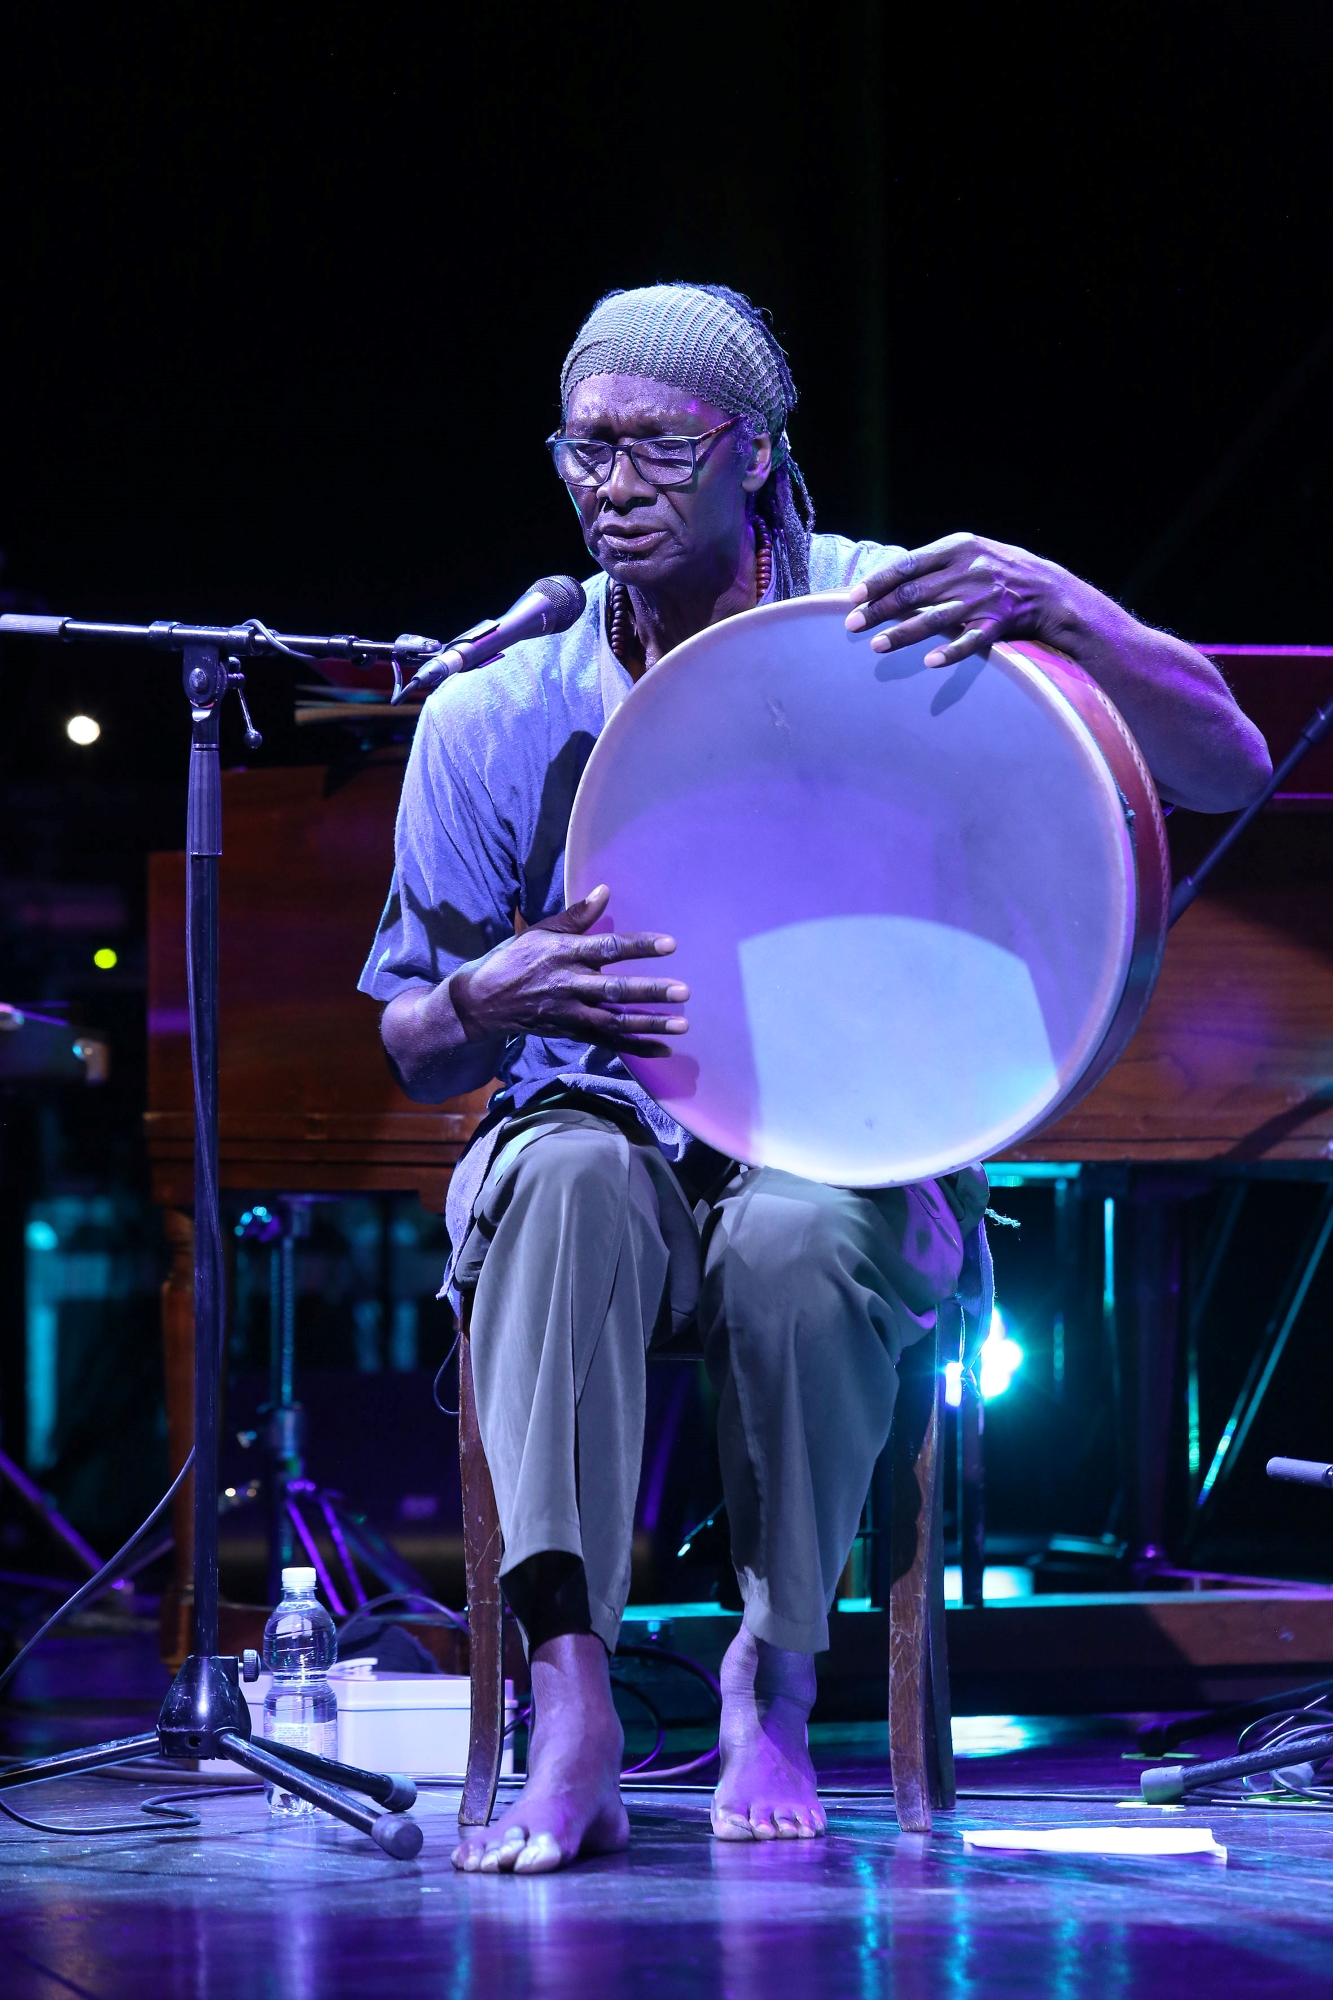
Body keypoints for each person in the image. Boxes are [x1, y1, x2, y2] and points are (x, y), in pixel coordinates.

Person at [359, 283, 1270, 1875]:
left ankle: (772, 1671)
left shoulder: (898, 618)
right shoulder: (501, 700)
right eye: (585, 452)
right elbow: (414, 1046)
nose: (612, 487)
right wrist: (482, 996)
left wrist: (1064, 607)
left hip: (851, 1133)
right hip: (600, 1123)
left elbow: (1230, 769)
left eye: (654, 447)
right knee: (560, 1179)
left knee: (796, 1235)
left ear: (757, 453)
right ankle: (568, 1698)